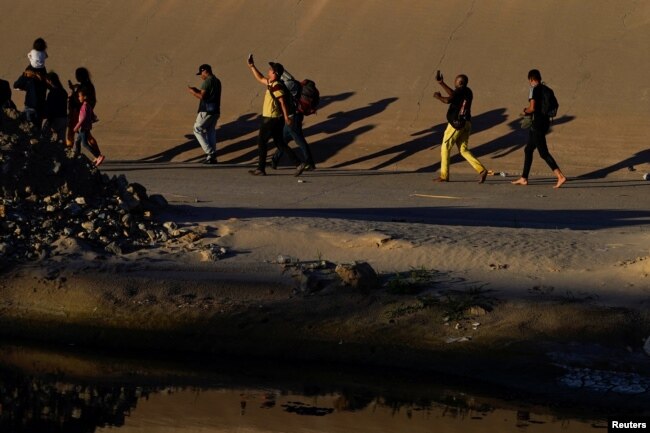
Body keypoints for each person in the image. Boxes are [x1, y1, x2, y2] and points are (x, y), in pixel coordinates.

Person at [246, 55, 305, 176]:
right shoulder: (272, 83)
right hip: (275, 119)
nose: (268, 71)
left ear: (275, 73)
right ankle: (298, 163)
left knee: (262, 142)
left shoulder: (277, 85)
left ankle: (260, 169)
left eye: (270, 70)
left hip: (271, 119)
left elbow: (282, 101)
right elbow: (261, 78)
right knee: (280, 143)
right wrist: (252, 66)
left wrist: (286, 117)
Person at [511, 69, 566, 189]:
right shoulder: (547, 89)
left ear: (531, 79)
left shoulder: (535, 90)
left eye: (529, 81)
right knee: (528, 149)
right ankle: (524, 178)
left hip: (537, 124)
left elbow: (532, 108)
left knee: (543, 153)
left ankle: (560, 176)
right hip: (545, 122)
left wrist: (525, 110)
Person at [433, 72, 487, 183]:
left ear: (460, 82)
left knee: (445, 148)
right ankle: (481, 170)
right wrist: (441, 83)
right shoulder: (468, 91)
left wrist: (438, 97)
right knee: (463, 150)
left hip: (456, 124)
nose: (454, 82)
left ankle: (444, 175)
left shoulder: (460, 91)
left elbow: (448, 100)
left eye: (455, 81)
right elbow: (453, 94)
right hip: (466, 123)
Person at [270, 69, 316, 171]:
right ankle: (274, 160)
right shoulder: (293, 84)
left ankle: (310, 162)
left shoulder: (290, 85)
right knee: (283, 140)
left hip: (292, 118)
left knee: (299, 141)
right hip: (295, 116)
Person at [187, 64, 221, 164]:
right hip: (215, 110)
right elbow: (208, 94)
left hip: (206, 110)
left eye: (201, 73)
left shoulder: (207, 81)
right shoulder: (217, 81)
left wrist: (192, 92)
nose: (201, 76)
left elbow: (202, 96)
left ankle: (210, 153)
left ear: (205, 71)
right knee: (210, 131)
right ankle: (212, 157)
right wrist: (197, 90)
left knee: (197, 129)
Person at [72, 88, 105, 167]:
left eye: (80, 96)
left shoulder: (84, 106)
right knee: (77, 141)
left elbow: (83, 118)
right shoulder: (88, 105)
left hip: (83, 128)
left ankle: (98, 156)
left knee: (85, 144)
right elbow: (93, 116)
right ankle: (77, 155)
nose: (79, 98)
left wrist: (76, 127)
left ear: (85, 97)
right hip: (85, 127)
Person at [67, 67, 97, 147]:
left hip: (78, 113)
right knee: (87, 135)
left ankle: (68, 151)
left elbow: (78, 100)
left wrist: (73, 94)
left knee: (71, 133)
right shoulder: (89, 85)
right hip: (84, 113)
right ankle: (98, 154)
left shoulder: (83, 87)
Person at [42, 72, 68, 144]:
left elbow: (50, 108)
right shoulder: (63, 91)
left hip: (55, 119)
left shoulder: (52, 93)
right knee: (61, 141)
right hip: (64, 118)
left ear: (50, 81)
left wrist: (46, 117)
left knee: (44, 137)